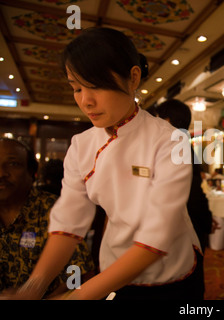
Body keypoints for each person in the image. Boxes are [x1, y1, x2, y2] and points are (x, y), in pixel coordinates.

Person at [4, 27, 202, 300]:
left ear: (133, 78)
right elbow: (69, 223)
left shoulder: (168, 140)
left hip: (172, 271)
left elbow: (157, 237)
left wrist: (79, 296)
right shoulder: (81, 145)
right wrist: (33, 287)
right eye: (76, 88)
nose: (85, 101)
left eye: (96, 86)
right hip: (114, 267)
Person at [0, 138, 94, 298]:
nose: (1, 173)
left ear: (32, 173)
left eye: (13, 164)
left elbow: (78, 275)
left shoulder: (54, 210)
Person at [156, 99, 213, 252]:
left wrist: (205, 221)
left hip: (184, 228)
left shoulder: (177, 148)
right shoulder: (181, 146)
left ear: (167, 121)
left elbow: (193, 192)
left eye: (157, 118)